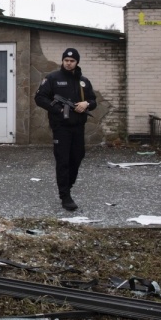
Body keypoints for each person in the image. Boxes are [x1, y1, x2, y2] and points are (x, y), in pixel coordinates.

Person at [34, 48, 97, 211]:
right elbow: (40, 98)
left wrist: (86, 104)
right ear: (63, 61)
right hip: (60, 127)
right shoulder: (53, 78)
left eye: (72, 61)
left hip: (78, 126)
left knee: (77, 157)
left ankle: (67, 185)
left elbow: (93, 101)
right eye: (66, 60)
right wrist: (59, 110)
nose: (69, 63)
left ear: (77, 62)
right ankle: (65, 196)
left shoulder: (83, 81)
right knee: (63, 160)